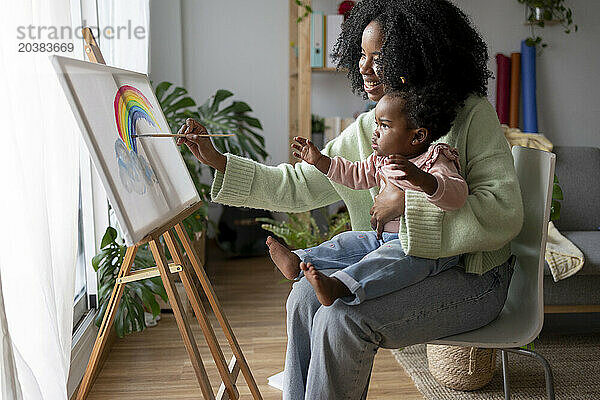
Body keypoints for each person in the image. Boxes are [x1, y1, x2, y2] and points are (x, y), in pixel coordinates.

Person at [176, 0, 523, 398]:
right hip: (396, 258)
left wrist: (407, 206)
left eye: (380, 56)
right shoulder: (370, 127)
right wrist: (219, 162)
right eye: (361, 54)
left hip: (475, 277)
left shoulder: (472, 115)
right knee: (305, 295)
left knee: (342, 319)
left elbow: (505, 214)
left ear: (417, 55)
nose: (363, 65)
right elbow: (298, 184)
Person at [268, 89, 468, 307]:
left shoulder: (434, 159)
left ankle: (340, 286)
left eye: (384, 125)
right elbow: (354, 174)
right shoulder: (381, 160)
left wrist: (421, 179)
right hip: (383, 238)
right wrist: (320, 161)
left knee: (381, 262)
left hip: (424, 247)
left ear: (417, 136)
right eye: (376, 124)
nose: (376, 132)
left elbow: (457, 196)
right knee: (345, 242)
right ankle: (299, 261)